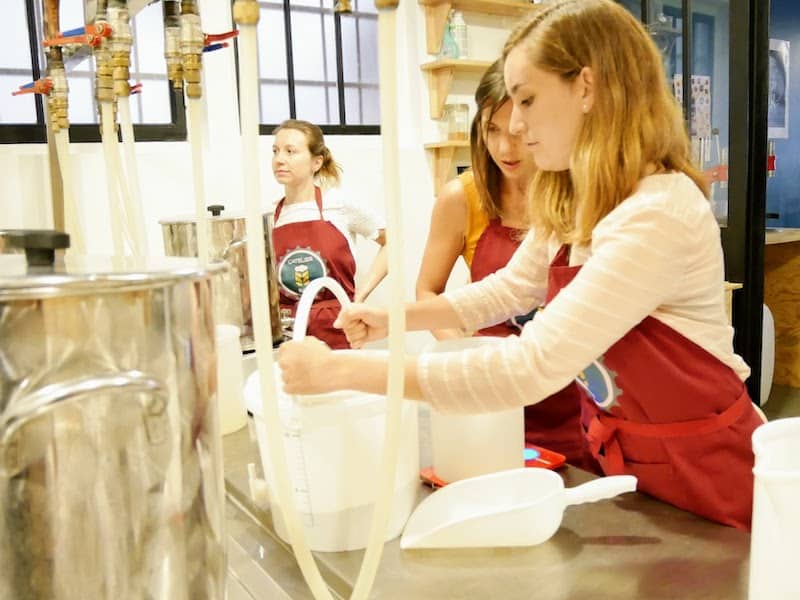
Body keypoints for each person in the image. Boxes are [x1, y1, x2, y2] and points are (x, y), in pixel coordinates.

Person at [277, 0, 764, 530]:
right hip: (631, 463)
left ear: (586, 87)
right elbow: (508, 289)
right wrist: (395, 319)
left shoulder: (657, 211)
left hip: (707, 469)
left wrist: (340, 371)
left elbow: (530, 365)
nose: (516, 124)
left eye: (527, 99)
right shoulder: (578, 199)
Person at [416, 58, 583, 463]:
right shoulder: (463, 198)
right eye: (492, 130)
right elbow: (428, 291)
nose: (505, 149)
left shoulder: (577, 194)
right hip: (491, 396)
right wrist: (465, 352)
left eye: (517, 133)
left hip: (572, 398)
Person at [271, 119, 387, 349]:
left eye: (290, 151)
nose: (279, 159)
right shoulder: (271, 216)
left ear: (316, 162)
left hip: (338, 330)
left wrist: (359, 296)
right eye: (275, 151)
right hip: (289, 336)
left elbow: (391, 243)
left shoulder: (338, 205)